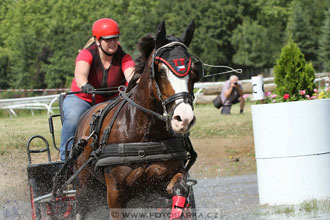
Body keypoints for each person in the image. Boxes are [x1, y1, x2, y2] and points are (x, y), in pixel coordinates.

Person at [59, 18, 135, 161]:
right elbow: (80, 74)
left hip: (112, 101)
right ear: (98, 40)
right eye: (108, 40)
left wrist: (135, 84)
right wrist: (85, 85)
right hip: (83, 98)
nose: (113, 43)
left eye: (115, 39)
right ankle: (65, 160)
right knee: (74, 118)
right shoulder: (86, 54)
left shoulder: (124, 57)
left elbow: (131, 75)